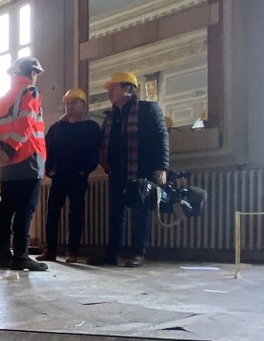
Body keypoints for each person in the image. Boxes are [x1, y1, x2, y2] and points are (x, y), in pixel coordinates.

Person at [89, 71, 169, 268]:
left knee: (141, 213)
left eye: (112, 87)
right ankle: (112, 254)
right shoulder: (110, 116)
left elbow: (161, 137)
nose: (109, 92)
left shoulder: (148, 109)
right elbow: (105, 142)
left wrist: (162, 166)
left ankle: (138, 254)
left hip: (142, 169)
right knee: (115, 214)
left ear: (127, 88)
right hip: (117, 170)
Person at [0, 56, 49, 272]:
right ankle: (20, 257)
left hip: (6, 165)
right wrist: (10, 150)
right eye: (36, 73)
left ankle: (2, 256)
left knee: (6, 208)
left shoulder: (3, 99)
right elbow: (25, 123)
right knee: (24, 210)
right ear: (32, 73)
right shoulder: (30, 92)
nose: (36, 77)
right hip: (28, 160)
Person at [39, 88, 102, 264]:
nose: (69, 106)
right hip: (58, 176)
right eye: (67, 103)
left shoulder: (92, 128)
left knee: (76, 214)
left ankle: (72, 251)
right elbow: (46, 149)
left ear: (83, 105)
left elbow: (95, 152)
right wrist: (49, 169)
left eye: (74, 103)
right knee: (52, 213)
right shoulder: (57, 127)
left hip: (78, 176)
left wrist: (85, 170)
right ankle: (50, 251)